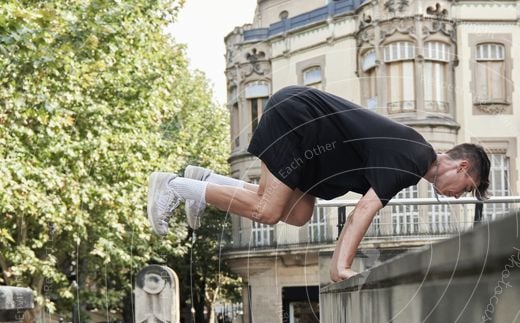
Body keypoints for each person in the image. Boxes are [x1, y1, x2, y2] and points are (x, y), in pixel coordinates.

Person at [147, 85, 490, 282]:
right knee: (268, 211)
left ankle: (203, 181)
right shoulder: (414, 158)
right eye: (467, 188)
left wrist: (338, 265)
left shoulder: (415, 156)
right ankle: (174, 186)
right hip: (299, 121)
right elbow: (362, 213)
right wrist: (340, 267)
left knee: (297, 214)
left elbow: (359, 211)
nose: (459, 196)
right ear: (461, 167)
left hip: (310, 146)